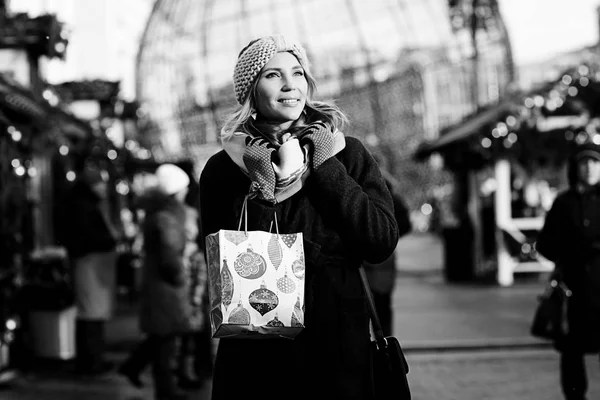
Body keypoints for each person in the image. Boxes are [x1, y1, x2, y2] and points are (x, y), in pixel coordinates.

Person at [199, 35, 399, 400]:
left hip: (336, 343)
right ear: (250, 90)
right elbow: (223, 264)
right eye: (273, 75)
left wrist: (326, 169)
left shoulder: (346, 153)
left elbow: (380, 241)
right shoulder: (224, 168)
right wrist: (262, 187)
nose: (291, 85)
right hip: (257, 348)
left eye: (298, 73)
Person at [118, 163, 192, 400]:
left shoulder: (160, 213)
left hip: (158, 283)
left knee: (161, 336)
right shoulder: (167, 217)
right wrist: (181, 276)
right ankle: (166, 391)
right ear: (175, 191)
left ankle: (134, 367)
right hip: (166, 286)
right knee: (165, 339)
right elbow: (169, 255)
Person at [537, 142, 600, 400]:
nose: (589, 168)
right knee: (572, 350)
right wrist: (568, 255)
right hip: (574, 288)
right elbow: (545, 242)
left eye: (595, 163)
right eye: (584, 163)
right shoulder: (563, 203)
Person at [62, 165, 119, 375]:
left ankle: (93, 358)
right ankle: (91, 361)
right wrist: (110, 240)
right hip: (89, 265)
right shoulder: (83, 207)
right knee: (90, 313)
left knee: (92, 312)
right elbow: (87, 237)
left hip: (92, 265)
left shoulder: (86, 204)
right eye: (99, 183)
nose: (103, 188)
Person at [363, 170, 411, 336]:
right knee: (382, 305)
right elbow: (406, 224)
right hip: (384, 256)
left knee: (362, 307)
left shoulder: (355, 188)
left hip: (365, 259)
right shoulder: (390, 195)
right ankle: (385, 344)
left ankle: (373, 345)